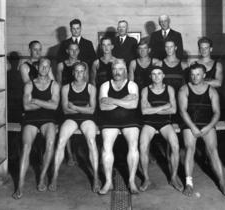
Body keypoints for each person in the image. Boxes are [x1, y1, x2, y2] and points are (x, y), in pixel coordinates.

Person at [178, 63, 225, 197]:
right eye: (193, 74)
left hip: (207, 123)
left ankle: (222, 183)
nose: (195, 77)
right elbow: (183, 111)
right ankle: (189, 184)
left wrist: (208, 127)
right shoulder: (184, 89)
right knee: (190, 148)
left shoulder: (212, 90)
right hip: (190, 124)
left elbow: (217, 113)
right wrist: (193, 127)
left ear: (204, 75)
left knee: (213, 150)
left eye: (198, 74)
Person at [49, 62, 100, 193]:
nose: (79, 74)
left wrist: (75, 107)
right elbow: (65, 110)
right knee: (60, 141)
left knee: (91, 141)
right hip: (70, 118)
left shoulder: (91, 88)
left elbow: (92, 110)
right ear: (73, 72)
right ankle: (54, 176)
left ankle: (95, 177)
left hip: (87, 119)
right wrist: (82, 109)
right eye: (76, 71)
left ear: (85, 73)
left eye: (81, 71)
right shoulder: (65, 88)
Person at [12, 58, 60, 199]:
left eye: (47, 67)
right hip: (31, 119)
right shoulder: (29, 84)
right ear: (37, 67)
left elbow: (55, 106)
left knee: (50, 143)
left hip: (48, 119)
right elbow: (26, 106)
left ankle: (42, 178)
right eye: (42, 66)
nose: (44, 69)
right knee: (26, 147)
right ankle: (19, 186)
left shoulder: (54, 85)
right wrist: (47, 103)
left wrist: (37, 101)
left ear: (49, 68)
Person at [99, 59, 140, 194]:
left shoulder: (132, 85)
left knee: (133, 145)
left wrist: (112, 101)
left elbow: (134, 105)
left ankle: (132, 181)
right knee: (106, 147)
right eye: (115, 69)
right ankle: (108, 182)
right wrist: (125, 100)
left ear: (126, 70)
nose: (117, 72)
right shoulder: (105, 85)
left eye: (120, 69)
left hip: (129, 119)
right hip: (110, 120)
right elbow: (102, 107)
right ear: (112, 71)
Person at [139, 66, 183, 192]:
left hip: (165, 123)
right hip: (149, 123)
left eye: (159, 73)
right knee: (142, 146)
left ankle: (173, 177)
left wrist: (152, 109)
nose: (156, 76)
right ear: (150, 77)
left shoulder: (169, 89)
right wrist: (164, 106)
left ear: (163, 75)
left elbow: (173, 110)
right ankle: (146, 178)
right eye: (153, 74)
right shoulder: (145, 90)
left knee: (175, 145)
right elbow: (144, 111)